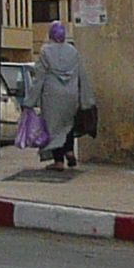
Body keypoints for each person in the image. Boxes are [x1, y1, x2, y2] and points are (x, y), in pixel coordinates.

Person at [32, 21, 90, 173]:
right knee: (67, 123)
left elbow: (39, 78)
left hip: (52, 96)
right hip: (71, 95)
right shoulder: (73, 52)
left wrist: (30, 101)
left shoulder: (45, 52)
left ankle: (58, 161)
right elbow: (82, 76)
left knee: (54, 128)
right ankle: (69, 151)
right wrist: (86, 99)